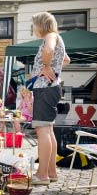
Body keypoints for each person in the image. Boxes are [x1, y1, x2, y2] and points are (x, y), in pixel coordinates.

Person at [30, 12, 70, 185]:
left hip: (45, 89)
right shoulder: (57, 37)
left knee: (42, 130)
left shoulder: (50, 36)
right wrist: (54, 67)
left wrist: (46, 67)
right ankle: (51, 172)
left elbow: (49, 50)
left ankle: (42, 175)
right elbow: (66, 59)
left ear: (41, 25)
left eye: (34, 25)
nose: (33, 28)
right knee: (48, 130)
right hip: (51, 88)